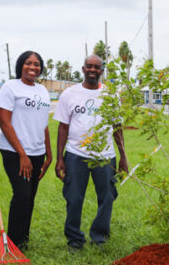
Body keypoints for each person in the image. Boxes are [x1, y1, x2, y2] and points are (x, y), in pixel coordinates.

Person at [54, 55, 129, 250]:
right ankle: (74, 240)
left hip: (105, 156)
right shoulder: (69, 94)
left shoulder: (110, 95)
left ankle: (99, 236)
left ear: (101, 71)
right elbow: (63, 127)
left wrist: (123, 156)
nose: (93, 70)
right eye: (89, 66)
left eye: (97, 67)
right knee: (74, 198)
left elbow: (117, 126)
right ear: (83, 69)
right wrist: (60, 158)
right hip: (76, 155)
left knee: (107, 197)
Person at [0, 51, 53, 250]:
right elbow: (4, 122)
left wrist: (49, 153)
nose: (33, 67)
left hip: (38, 153)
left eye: (37, 64)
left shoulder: (43, 91)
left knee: (29, 196)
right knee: (21, 194)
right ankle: (13, 243)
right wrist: (22, 154)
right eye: (28, 63)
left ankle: (23, 240)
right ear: (21, 65)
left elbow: (44, 125)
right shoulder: (10, 87)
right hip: (15, 152)